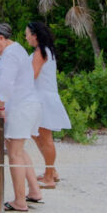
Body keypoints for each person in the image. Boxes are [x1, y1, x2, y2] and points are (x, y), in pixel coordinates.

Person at [0, 23, 44, 211]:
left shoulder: (10, 55)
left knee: (15, 154)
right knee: (18, 149)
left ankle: (20, 200)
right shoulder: (16, 50)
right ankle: (34, 191)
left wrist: (0, 107)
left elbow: (7, 83)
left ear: (1, 38)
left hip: (20, 107)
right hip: (24, 105)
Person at [25, 21, 71, 189]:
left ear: (35, 35)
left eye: (27, 34)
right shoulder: (46, 51)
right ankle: (51, 170)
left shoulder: (40, 52)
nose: (26, 37)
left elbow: (32, 75)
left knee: (45, 137)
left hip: (42, 98)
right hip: (43, 96)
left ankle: (50, 177)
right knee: (36, 134)